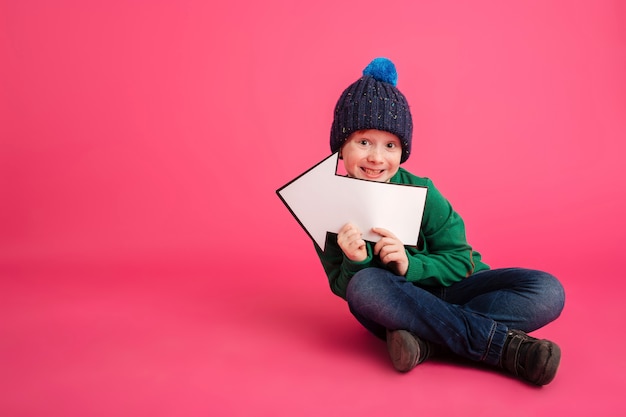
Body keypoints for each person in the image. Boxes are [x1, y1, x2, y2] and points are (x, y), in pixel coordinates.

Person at [313, 57, 565, 385]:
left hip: (454, 289)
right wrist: (357, 261)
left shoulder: (422, 192)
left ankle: (426, 343)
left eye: (390, 145)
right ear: (340, 148)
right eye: (363, 142)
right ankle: (505, 348)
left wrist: (410, 265)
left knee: (547, 290)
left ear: (402, 152)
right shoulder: (325, 204)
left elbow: (461, 260)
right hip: (394, 305)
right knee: (365, 286)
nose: (376, 157)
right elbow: (344, 288)